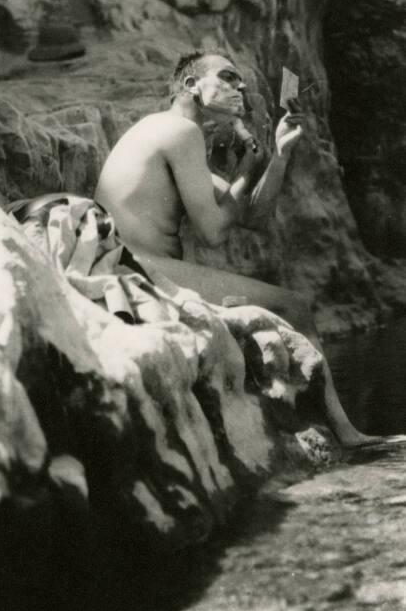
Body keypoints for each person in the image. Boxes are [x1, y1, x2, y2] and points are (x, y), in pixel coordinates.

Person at [95, 50, 380, 447]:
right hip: (136, 267)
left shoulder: (176, 133)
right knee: (293, 306)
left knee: (283, 308)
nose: (240, 88)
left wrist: (277, 155)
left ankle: (323, 428)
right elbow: (214, 231)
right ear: (191, 86)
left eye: (241, 83)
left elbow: (252, 218)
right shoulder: (178, 131)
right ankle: (345, 432)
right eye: (228, 78)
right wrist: (247, 166)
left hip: (143, 266)